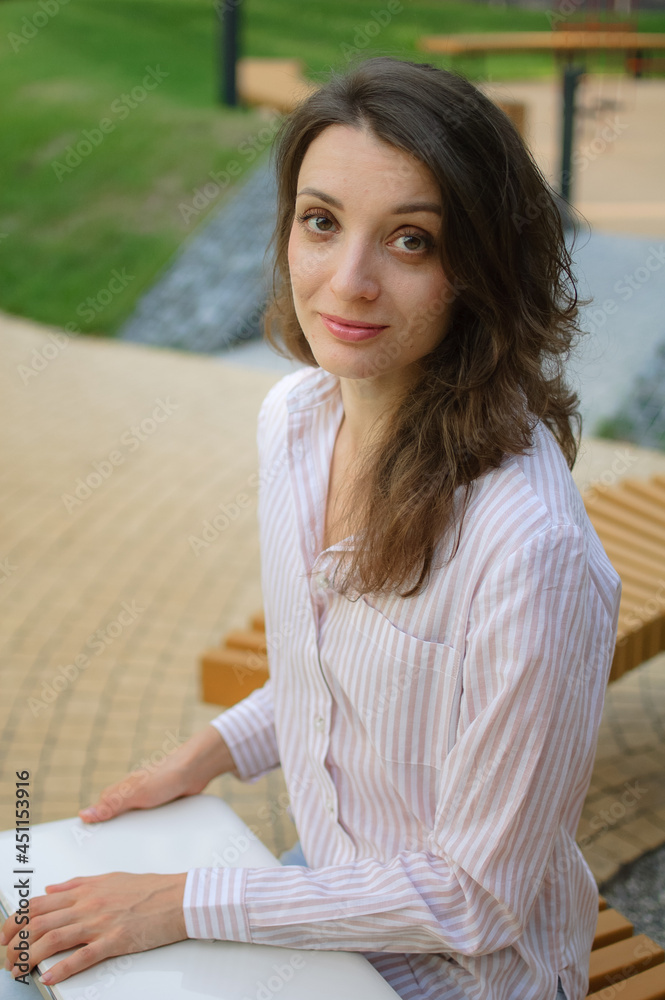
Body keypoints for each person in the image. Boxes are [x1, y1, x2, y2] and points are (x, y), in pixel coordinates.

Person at [1, 57, 621, 1000]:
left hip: (462, 978)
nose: (348, 281)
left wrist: (178, 902)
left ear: (481, 271)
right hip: (327, 901)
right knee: (29, 952)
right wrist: (207, 753)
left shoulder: (527, 552)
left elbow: (474, 901)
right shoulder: (296, 421)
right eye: (321, 223)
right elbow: (339, 671)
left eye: (411, 241)